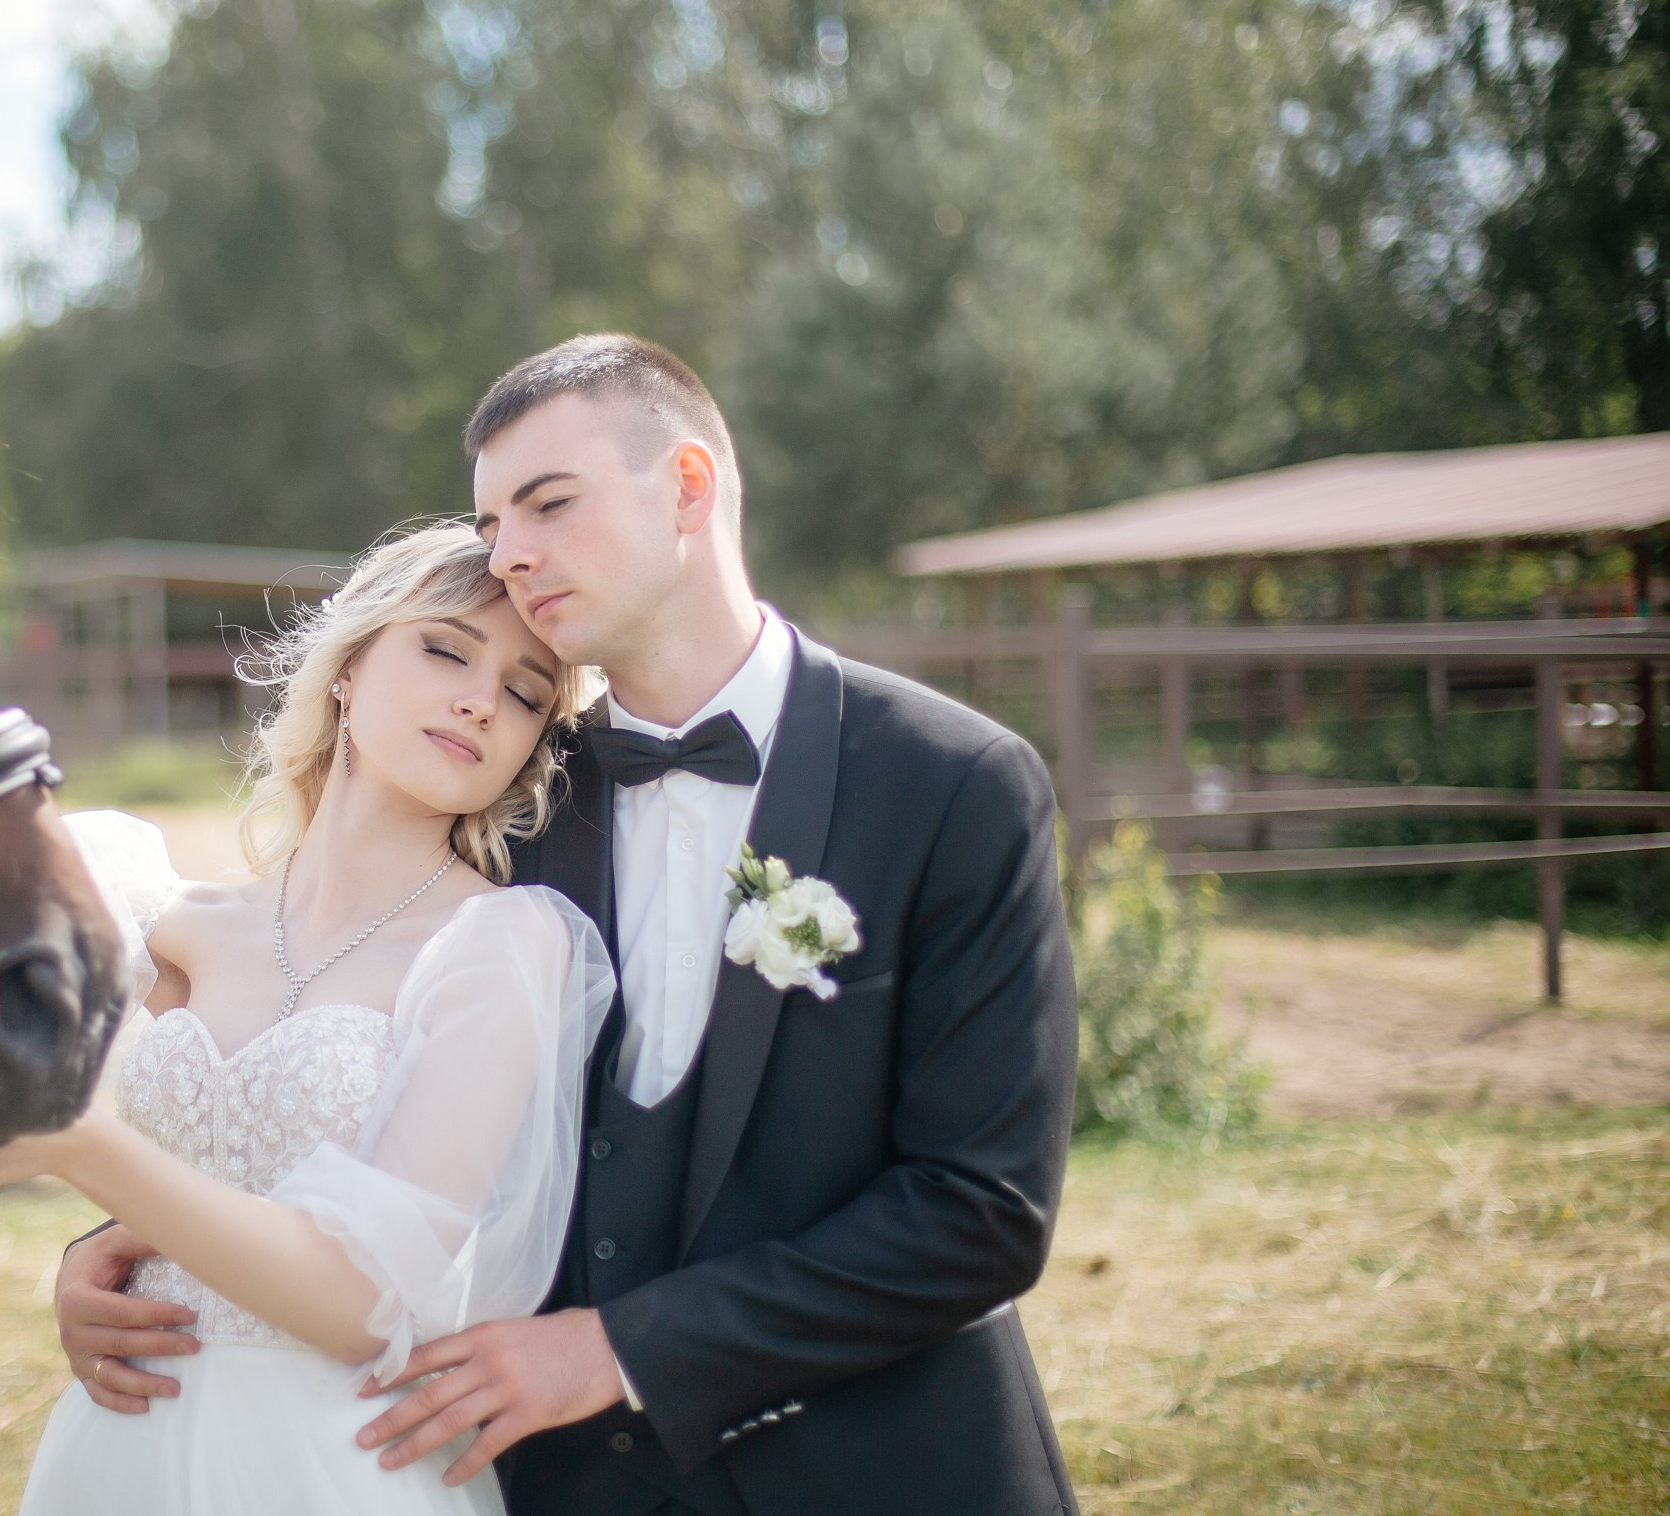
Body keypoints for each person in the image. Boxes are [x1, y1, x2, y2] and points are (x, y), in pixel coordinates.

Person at [55, 334, 1081, 1516]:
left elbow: (982, 1209)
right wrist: (113, 1251)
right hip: (567, 1487)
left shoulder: (952, 783)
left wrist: (619, 1348)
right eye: (493, 526)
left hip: (878, 1468)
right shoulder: (500, 807)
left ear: (687, 487)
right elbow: (343, 1090)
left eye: (547, 504)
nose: (514, 554)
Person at [0, 522, 614, 1514]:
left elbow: (359, 1301)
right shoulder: (174, 918)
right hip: (120, 1448)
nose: (481, 698)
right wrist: (93, 1253)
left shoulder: (501, 946)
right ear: (348, 664)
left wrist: (82, 1147)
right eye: (443, 647)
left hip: (334, 1465)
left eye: (523, 693)